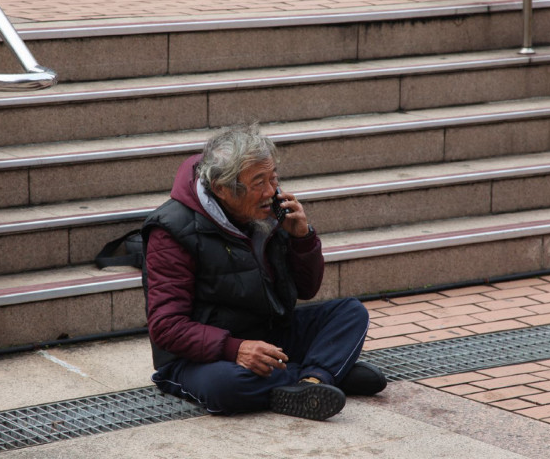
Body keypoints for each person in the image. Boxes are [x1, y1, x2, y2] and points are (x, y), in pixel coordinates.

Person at [141, 125, 386, 421]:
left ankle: (312, 380)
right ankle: (322, 374)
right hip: (203, 355)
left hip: (269, 334)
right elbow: (166, 326)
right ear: (221, 188)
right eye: (259, 182)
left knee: (350, 313)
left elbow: (306, 290)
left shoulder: (269, 213)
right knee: (227, 387)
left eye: (274, 178)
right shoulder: (171, 230)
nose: (271, 192)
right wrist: (235, 348)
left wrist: (302, 238)